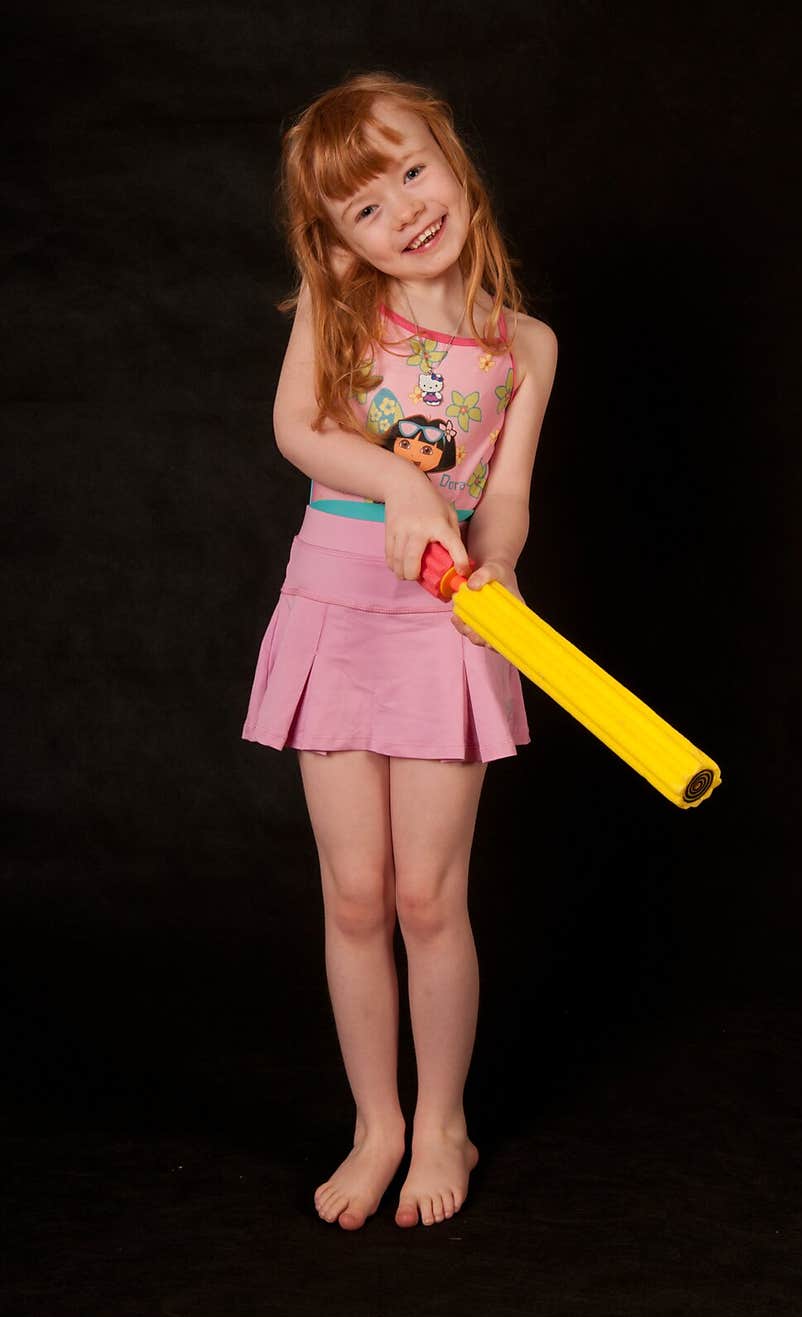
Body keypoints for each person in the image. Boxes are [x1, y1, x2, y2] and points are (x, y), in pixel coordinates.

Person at [242, 72, 557, 1230]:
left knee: (429, 895)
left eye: (412, 171)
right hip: (334, 603)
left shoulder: (525, 344)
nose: (403, 213)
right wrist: (400, 483)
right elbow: (299, 432)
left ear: (453, 158)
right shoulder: (339, 308)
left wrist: (496, 558)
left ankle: (442, 1125)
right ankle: (375, 1125)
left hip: (445, 622)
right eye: (364, 208)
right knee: (357, 892)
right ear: (334, 241)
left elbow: (510, 494)